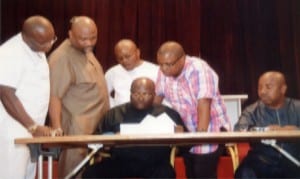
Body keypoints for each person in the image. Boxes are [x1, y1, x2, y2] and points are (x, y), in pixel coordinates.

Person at [154, 41, 231, 178]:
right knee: (190, 172)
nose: (164, 69)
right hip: (186, 130)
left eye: (168, 64)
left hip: (210, 128)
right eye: (161, 64)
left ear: (182, 59)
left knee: (201, 171)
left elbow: (204, 105)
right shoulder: (163, 71)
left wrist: (199, 137)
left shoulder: (199, 69)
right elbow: (156, 98)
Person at [82, 77, 186, 178]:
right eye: (136, 93)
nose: (140, 97)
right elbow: (94, 139)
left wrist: (178, 140)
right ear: (130, 94)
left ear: (154, 95)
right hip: (121, 162)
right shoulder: (114, 113)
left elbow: (184, 144)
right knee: (91, 173)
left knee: (166, 174)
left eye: (145, 94)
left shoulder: (167, 113)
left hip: (154, 162)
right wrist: (106, 143)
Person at [48, 16, 109, 177]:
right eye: (83, 39)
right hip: (77, 130)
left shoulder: (85, 51)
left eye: (93, 37)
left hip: (95, 128)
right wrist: (57, 129)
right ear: (70, 34)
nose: (89, 42)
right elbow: (54, 95)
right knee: (74, 171)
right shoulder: (62, 57)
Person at [0, 15, 56, 179]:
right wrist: (32, 126)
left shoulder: (37, 48)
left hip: (32, 129)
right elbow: (6, 94)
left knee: (28, 175)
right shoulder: (9, 53)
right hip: (13, 129)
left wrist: (36, 127)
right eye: (44, 43)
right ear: (27, 37)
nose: (50, 45)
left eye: (52, 39)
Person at [234, 71, 300, 178]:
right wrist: (265, 131)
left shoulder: (297, 108)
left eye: (268, 87)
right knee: (245, 173)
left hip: (293, 161)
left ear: (283, 89)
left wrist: (293, 130)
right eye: (260, 87)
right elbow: (239, 130)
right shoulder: (252, 110)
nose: (263, 91)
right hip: (261, 162)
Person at [105, 39, 159, 108]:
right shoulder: (112, 72)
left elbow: (161, 95)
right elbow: (103, 95)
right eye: (120, 58)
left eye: (128, 56)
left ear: (138, 53)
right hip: (121, 116)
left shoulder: (155, 70)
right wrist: (114, 108)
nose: (124, 61)